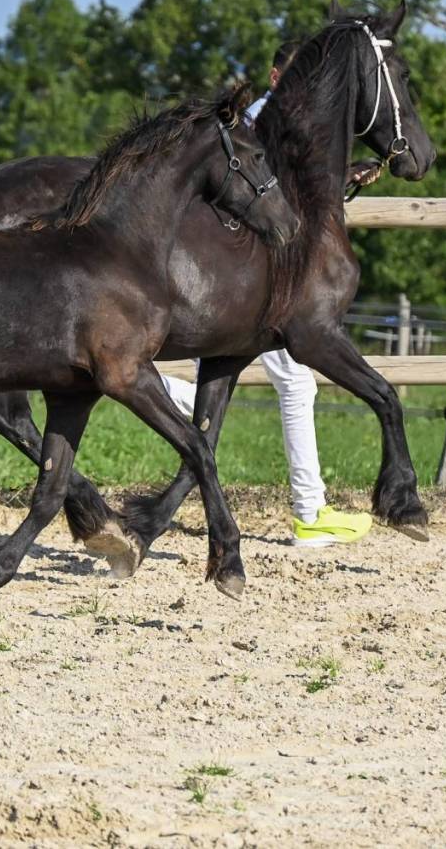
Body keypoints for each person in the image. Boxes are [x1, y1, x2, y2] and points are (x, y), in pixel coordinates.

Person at [160, 41, 374, 548]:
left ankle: (311, 510)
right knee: (297, 388)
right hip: (258, 285)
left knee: (289, 388)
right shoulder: (261, 121)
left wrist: (344, 177)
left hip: (259, 278)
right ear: (277, 76)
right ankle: (310, 512)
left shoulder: (276, 121)